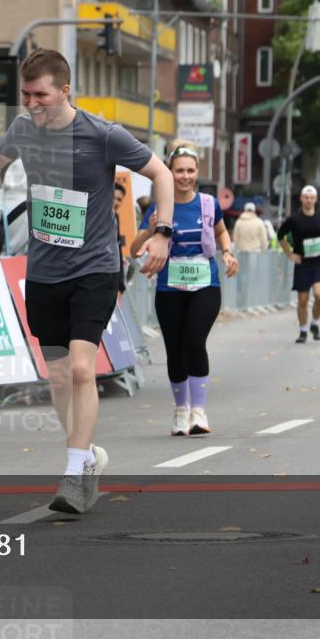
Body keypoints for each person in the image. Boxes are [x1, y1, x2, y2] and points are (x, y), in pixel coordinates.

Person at [0, 49, 174, 514]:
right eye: (26, 95)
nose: (31, 104)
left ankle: (73, 472)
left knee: (82, 369)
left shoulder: (101, 134)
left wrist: (162, 234)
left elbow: (161, 172)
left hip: (94, 268)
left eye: (41, 95)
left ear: (65, 90)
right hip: (44, 270)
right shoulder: (24, 129)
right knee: (56, 373)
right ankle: (87, 454)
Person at [130, 140, 238, 437]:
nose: (185, 176)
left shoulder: (208, 204)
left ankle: (199, 411)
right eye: (179, 171)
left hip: (205, 283)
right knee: (175, 350)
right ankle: (181, 411)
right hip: (170, 287)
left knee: (194, 340)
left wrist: (227, 252)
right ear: (169, 171)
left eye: (190, 170)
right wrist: (151, 230)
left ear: (197, 172)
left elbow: (220, 231)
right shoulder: (158, 208)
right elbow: (135, 249)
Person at [278, 185, 320, 342]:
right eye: (306, 197)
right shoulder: (294, 219)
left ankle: (315, 323)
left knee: (319, 295)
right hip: (302, 264)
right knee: (302, 300)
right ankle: (303, 330)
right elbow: (280, 235)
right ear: (301, 199)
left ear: (315, 200)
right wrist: (290, 254)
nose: (309, 201)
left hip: (319, 262)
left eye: (312, 198)